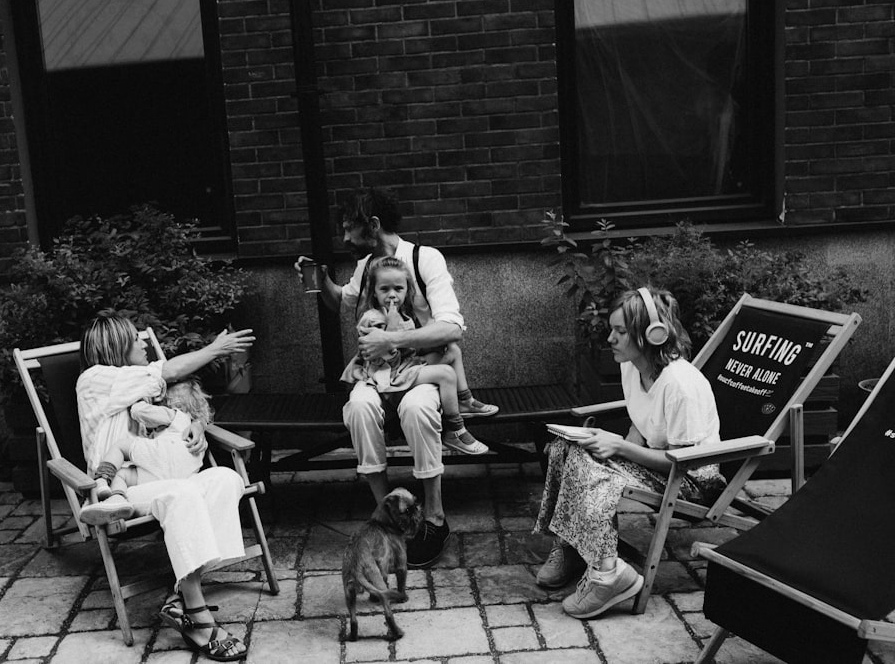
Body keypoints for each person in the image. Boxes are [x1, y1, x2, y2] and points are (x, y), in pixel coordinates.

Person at [294, 186, 495, 568]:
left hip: (419, 370)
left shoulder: (425, 259)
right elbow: (344, 302)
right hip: (375, 373)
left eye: (350, 229)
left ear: (373, 225)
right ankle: (389, 515)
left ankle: (434, 517)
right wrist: (321, 281)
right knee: (358, 407)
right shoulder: (364, 266)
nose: (346, 238)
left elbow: (451, 329)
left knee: (419, 411)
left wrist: (392, 337)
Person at [532, 287, 726, 619]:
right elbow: (640, 423)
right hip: (659, 463)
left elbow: (684, 463)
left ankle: (608, 574)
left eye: (621, 331)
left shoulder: (680, 385)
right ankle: (575, 546)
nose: (611, 338)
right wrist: (611, 451)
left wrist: (619, 448)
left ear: (652, 334)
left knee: (585, 463)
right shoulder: (632, 366)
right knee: (566, 447)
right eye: (612, 329)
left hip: (693, 480)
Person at [76, 313, 255, 661]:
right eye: (136, 339)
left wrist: (196, 428)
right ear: (116, 347)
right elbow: (168, 371)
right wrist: (216, 349)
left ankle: (183, 594)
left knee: (225, 479)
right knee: (183, 495)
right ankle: (197, 615)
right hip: (122, 488)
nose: (144, 342)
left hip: (163, 476)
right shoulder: (94, 380)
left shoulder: (139, 387)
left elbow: (175, 417)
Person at [340, 256, 489, 455]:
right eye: (385, 289)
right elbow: (376, 357)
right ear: (374, 292)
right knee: (445, 374)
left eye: (398, 289)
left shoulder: (404, 315)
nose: (392, 295)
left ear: (406, 290)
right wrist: (391, 328)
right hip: (387, 375)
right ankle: (455, 429)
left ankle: (465, 400)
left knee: (452, 350)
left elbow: (409, 349)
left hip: (405, 366)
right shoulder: (372, 318)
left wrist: (431, 345)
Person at [80, 380, 212, 525]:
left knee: (121, 452)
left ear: (170, 402)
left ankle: (106, 484)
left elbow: (138, 411)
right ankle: (116, 500)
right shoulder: (196, 430)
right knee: (129, 473)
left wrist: (143, 396)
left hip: (161, 459)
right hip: (185, 475)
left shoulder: (173, 414)